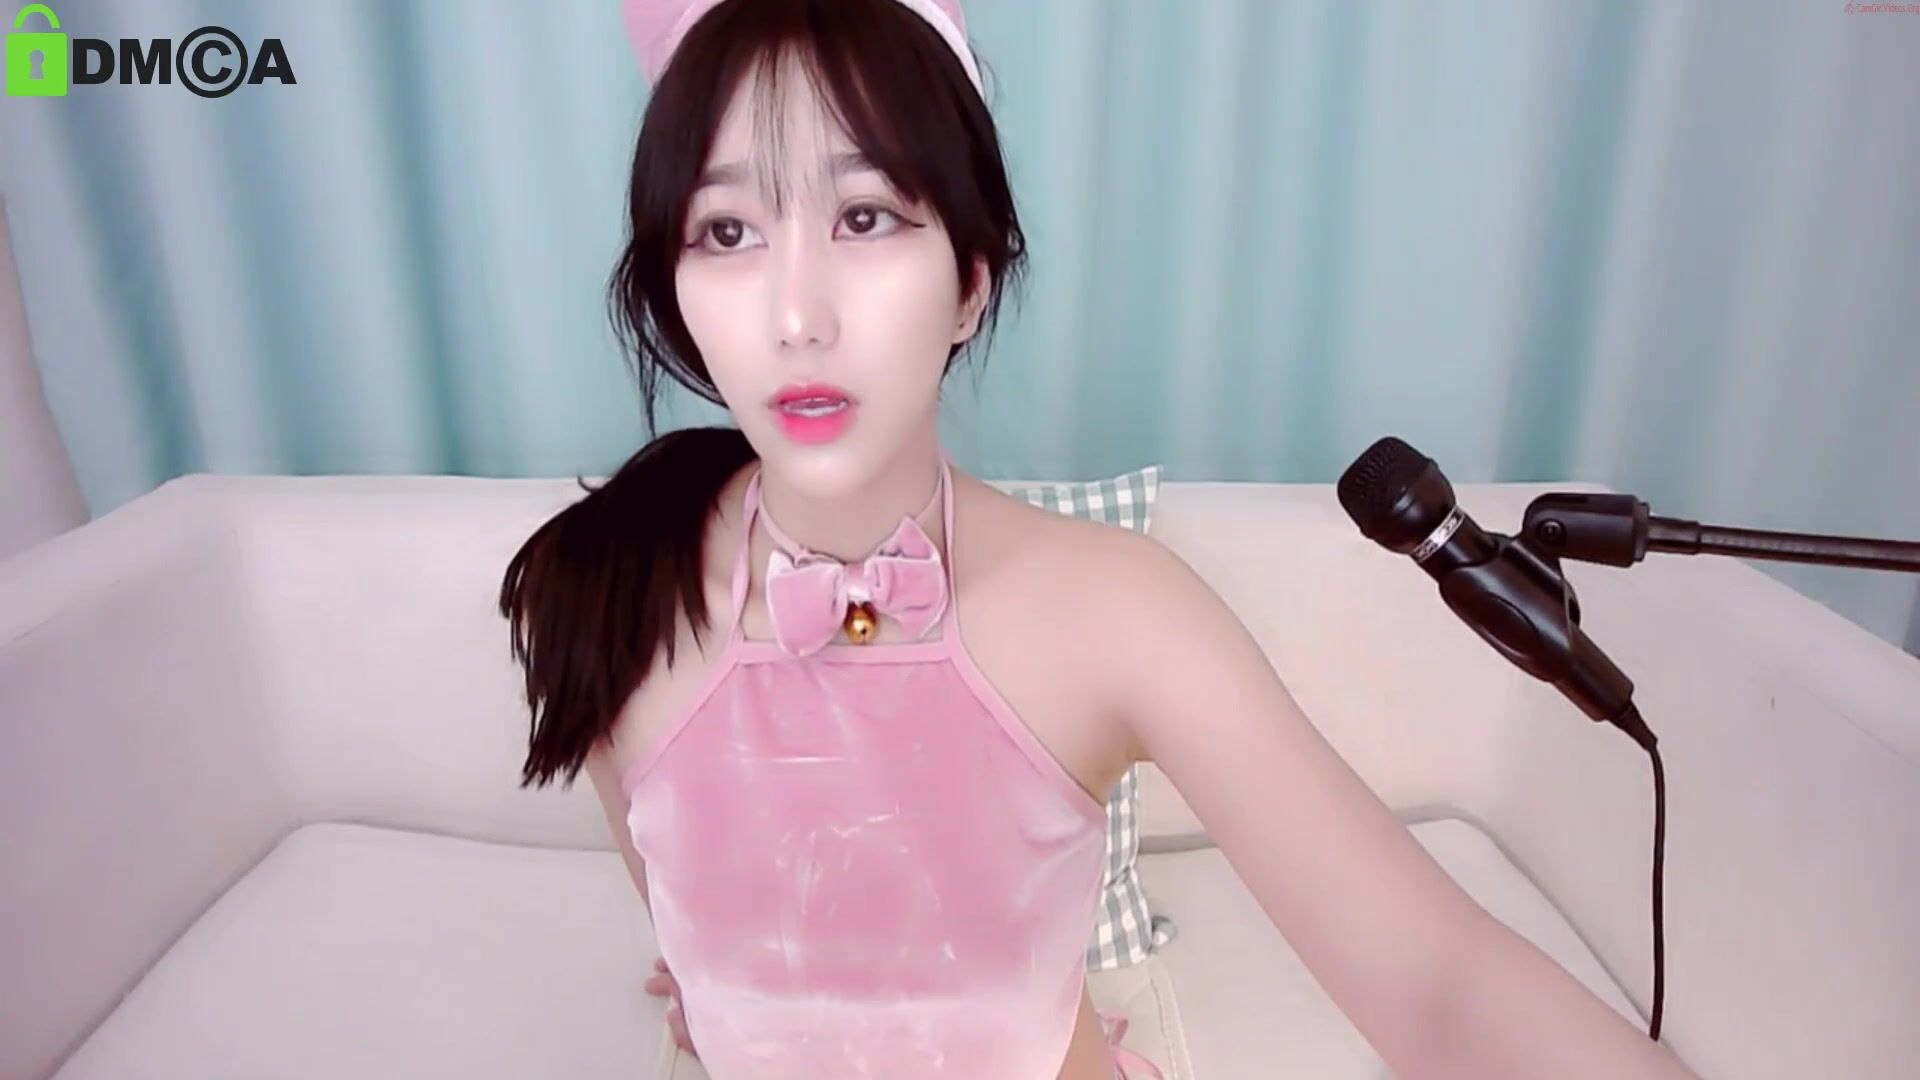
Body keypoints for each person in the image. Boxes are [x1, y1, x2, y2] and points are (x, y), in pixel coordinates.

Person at [499, 0, 1700, 1076]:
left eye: (864, 216)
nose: (796, 314)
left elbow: (1442, 984)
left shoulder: (1118, 612)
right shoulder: (599, 593)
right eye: (726, 232)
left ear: (971, 281)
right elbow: (687, 937)